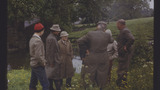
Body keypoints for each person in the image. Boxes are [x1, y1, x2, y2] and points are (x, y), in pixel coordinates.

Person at [77, 21, 111, 90]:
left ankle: (89, 88)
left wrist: (86, 49)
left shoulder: (90, 33)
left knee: (90, 74)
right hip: (103, 58)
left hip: (92, 57)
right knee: (102, 75)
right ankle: (100, 87)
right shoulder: (107, 35)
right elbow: (112, 40)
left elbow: (79, 41)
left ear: (97, 27)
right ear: (104, 28)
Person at [29, 23, 49, 90]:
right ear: (41, 31)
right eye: (43, 30)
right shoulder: (38, 41)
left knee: (33, 84)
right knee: (46, 85)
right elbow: (38, 56)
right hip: (38, 65)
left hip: (33, 64)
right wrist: (43, 63)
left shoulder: (32, 39)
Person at [116, 19, 135, 88]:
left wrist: (126, 46)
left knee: (122, 69)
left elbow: (132, 39)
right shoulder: (123, 31)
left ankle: (122, 85)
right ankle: (121, 84)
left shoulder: (125, 31)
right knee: (121, 69)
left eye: (117, 25)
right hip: (123, 54)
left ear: (121, 25)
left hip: (125, 54)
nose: (116, 26)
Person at [45, 24, 61, 90]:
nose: (58, 32)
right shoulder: (52, 38)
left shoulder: (52, 37)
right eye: (57, 31)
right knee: (55, 77)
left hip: (53, 60)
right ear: (53, 31)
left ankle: (51, 88)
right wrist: (51, 62)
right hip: (53, 61)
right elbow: (50, 51)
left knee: (51, 76)